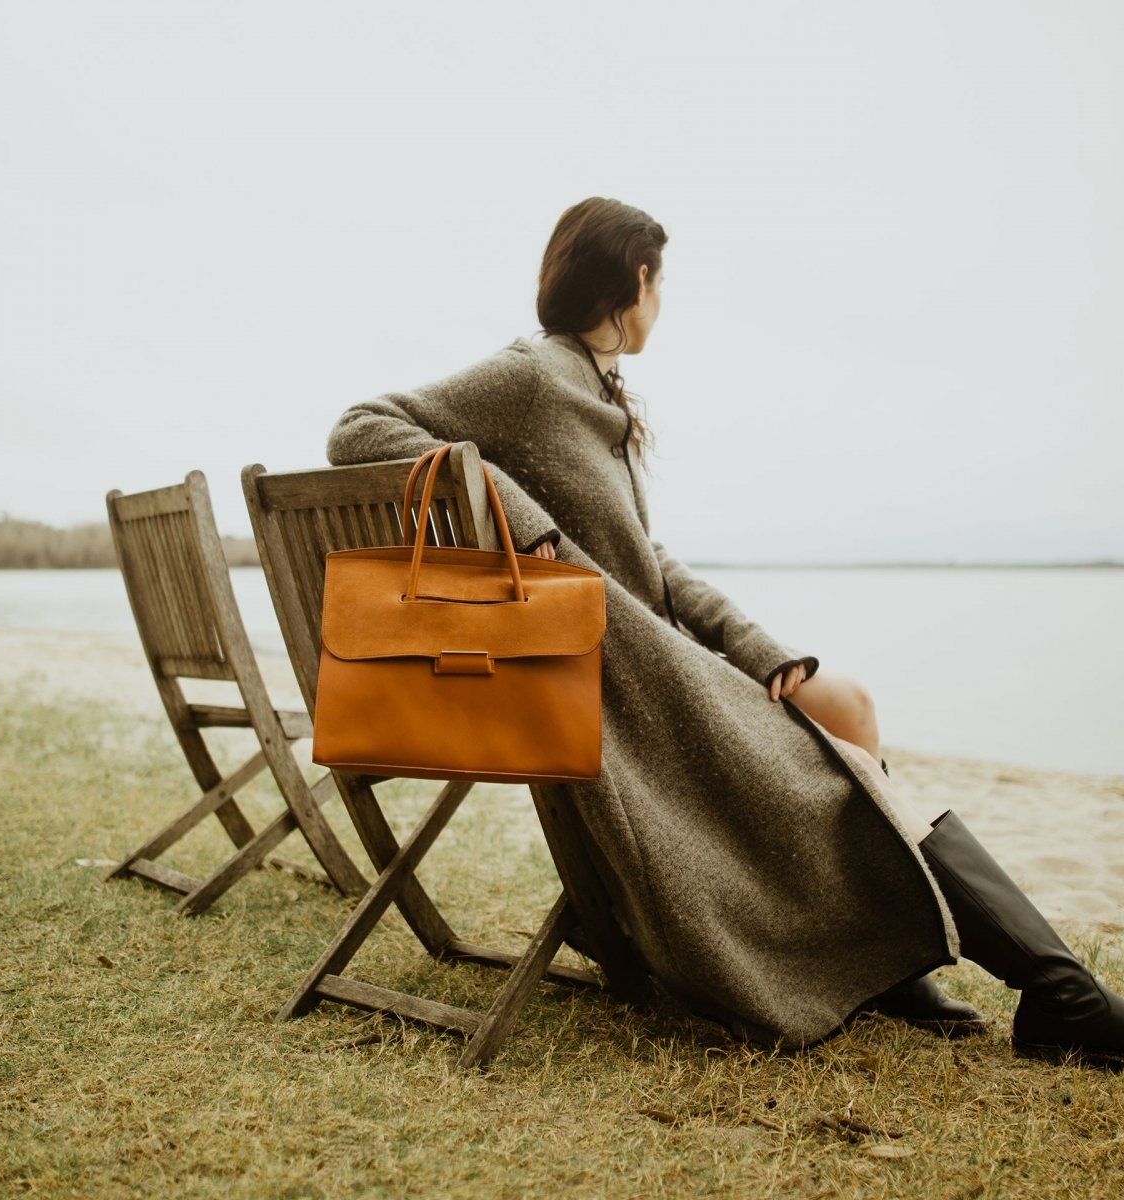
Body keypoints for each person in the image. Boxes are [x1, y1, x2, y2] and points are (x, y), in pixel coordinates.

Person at [327, 197, 1123, 1068]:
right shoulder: (529, 374)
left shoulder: (599, 394)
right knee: (837, 772)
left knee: (843, 704)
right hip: (618, 686)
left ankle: (927, 974)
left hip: (652, 664)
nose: (664, 301)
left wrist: (759, 651)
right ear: (635, 281)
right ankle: (1060, 994)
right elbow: (360, 427)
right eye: (661, 282)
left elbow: (652, 564)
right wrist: (521, 521)